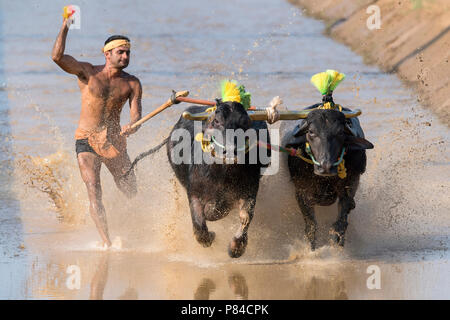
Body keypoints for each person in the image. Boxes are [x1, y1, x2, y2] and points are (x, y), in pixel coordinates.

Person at [52, 17, 142, 248]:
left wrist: (132, 125)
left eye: (128, 53)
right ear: (107, 54)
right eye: (121, 52)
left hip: (113, 141)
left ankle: (133, 227)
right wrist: (65, 26)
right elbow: (57, 57)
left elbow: (136, 116)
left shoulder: (132, 83)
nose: (125, 57)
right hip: (86, 140)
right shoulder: (87, 73)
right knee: (94, 190)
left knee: (131, 188)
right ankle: (107, 243)